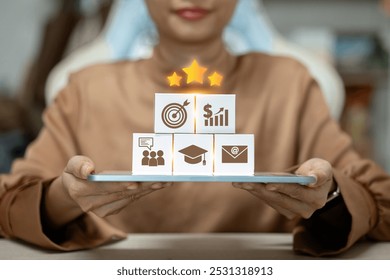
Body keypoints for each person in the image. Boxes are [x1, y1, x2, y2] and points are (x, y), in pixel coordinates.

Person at [0, 0, 389, 256]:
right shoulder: (85, 90)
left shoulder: (291, 84)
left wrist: (330, 197)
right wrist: (65, 198)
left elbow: (379, 200)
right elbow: (10, 202)